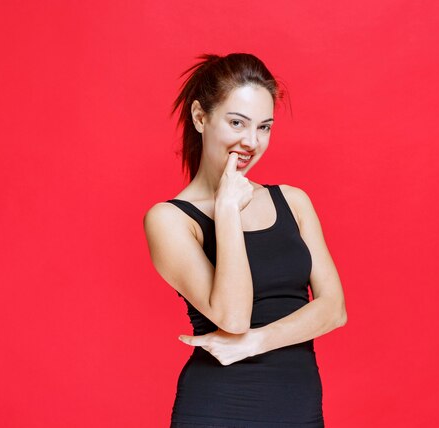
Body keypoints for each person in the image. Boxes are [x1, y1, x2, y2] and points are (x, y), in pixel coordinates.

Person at [143, 52, 347, 428]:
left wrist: (257, 342)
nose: (251, 141)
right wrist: (226, 211)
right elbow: (233, 318)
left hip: (297, 407)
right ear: (200, 117)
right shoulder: (169, 219)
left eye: (264, 127)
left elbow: (334, 309)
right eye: (237, 122)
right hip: (217, 407)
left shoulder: (293, 201)